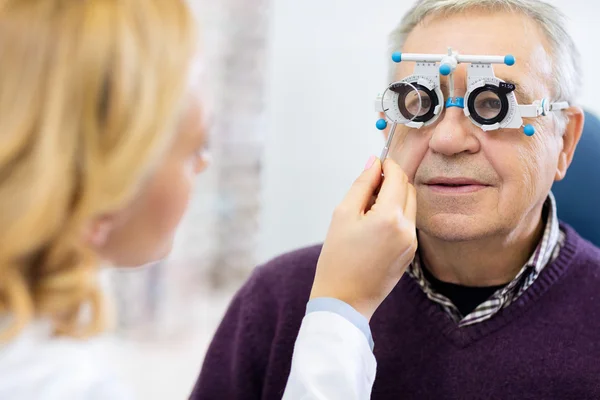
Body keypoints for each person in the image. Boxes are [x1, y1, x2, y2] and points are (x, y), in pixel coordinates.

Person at [0, 1, 417, 399]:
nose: (202, 166)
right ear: (112, 167)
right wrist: (340, 315)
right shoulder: (56, 383)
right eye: (194, 148)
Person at [190, 0, 600, 399]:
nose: (447, 139)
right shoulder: (279, 302)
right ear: (390, 127)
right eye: (419, 102)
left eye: (492, 103)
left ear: (564, 142)